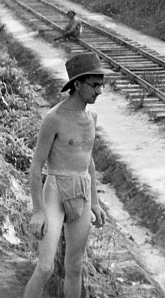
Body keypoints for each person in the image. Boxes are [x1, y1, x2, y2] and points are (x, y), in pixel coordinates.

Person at [23, 52, 107, 298]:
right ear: (77, 85)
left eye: (101, 85)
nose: (99, 91)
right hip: (55, 190)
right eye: (94, 85)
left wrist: (97, 202)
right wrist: (38, 210)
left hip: (82, 190)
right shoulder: (54, 118)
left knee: (75, 266)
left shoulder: (92, 118)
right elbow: (37, 165)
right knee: (46, 267)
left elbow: (88, 159)